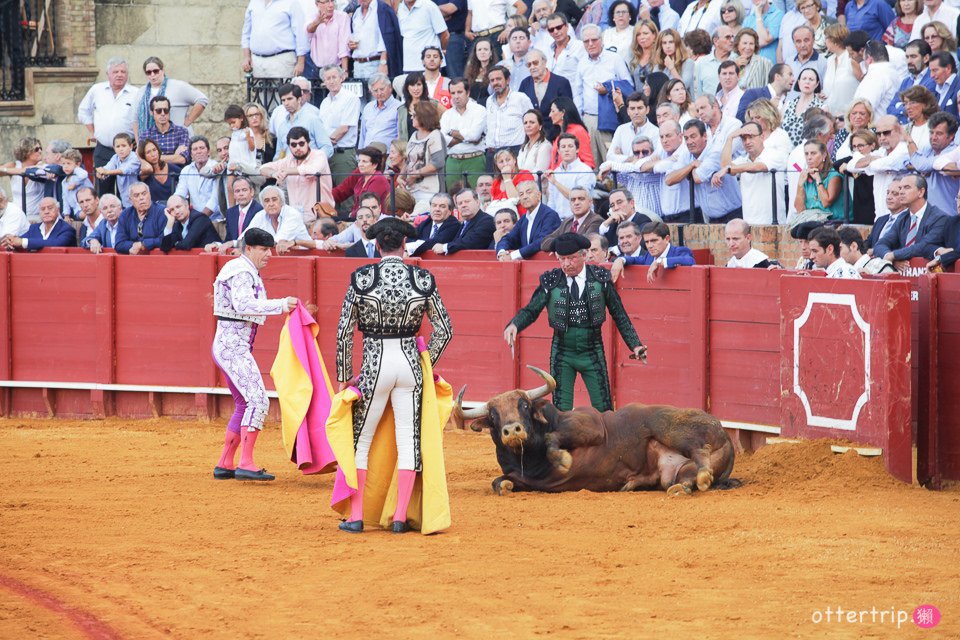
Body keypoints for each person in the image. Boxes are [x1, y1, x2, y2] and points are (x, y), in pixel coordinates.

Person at [334, 216, 453, 533]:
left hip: (375, 363)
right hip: (410, 364)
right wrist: (425, 363)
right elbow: (445, 330)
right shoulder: (423, 280)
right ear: (404, 245)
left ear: (375, 245)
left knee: (361, 440)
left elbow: (344, 331)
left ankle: (357, 516)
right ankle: (399, 517)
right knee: (408, 440)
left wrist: (345, 375)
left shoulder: (361, 278)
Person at [504, 233, 646, 412]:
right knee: (561, 411)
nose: (566, 264)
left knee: (604, 409)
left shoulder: (600, 278)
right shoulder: (551, 281)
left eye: (571, 258)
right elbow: (532, 309)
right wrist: (515, 324)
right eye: (561, 259)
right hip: (562, 353)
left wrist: (635, 345)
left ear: (584, 255)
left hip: (592, 350)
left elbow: (619, 313)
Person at [212, 227, 298, 482]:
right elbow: (244, 304)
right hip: (232, 347)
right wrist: (282, 305)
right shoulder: (241, 271)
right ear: (248, 248)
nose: (268, 254)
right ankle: (246, 463)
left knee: (244, 403)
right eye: (263, 249)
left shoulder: (244, 269)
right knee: (258, 401)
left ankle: (225, 462)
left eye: (269, 249)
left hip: (231, 345)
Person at [77, 57, 138, 195]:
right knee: (104, 190)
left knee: (129, 191)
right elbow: (83, 111)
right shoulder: (97, 90)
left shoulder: (136, 93)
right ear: (108, 74)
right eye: (115, 71)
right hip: (104, 149)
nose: (120, 74)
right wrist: (92, 132)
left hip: (128, 150)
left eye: (123, 71)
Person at [874, 173, 950, 265]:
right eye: (900, 188)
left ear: (921, 192)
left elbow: (923, 246)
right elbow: (880, 244)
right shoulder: (902, 218)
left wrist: (894, 255)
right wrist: (890, 258)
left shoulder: (939, 218)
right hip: (906, 274)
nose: (901, 192)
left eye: (906, 187)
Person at [133, 56, 208, 140]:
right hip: (150, 144)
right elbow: (135, 120)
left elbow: (202, 99)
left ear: (162, 70)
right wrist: (138, 141)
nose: (152, 75)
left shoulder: (178, 86)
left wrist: (187, 122)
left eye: (156, 71)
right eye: (148, 72)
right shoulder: (141, 92)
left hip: (178, 139)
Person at [610, 221, 695, 283]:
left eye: (654, 241)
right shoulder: (648, 256)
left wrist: (659, 261)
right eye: (647, 242)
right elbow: (634, 259)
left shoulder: (679, 251)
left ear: (666, 239)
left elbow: (690, 260)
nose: (650, 246)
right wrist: (620, 260)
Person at [240, 0, 308, 79]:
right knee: (260, 91)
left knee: (283, 91)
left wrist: (300, 62)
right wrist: (246, 57)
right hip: (257, 61)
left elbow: (300, 33)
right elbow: (246, 32)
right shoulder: (254, 2)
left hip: (282, 60)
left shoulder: (291, 2)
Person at [441, 78, 488, 190]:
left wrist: (453, 133)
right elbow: (443, 139)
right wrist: (469, 138)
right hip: (453, 161)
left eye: (459, 92)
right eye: (453, 93)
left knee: (477, 196)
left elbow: (474, 135)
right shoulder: (446, 115)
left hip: (474, 159)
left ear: (468, 92)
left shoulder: (479, 110)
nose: (456, 96)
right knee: (453, 198)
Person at [496, 180, 561, 259]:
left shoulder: (550, 215)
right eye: (521, 194)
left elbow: (542, 241)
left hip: (546, 264)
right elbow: (508, 238)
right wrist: (502, 252)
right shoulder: (524, 219)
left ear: (539, 195)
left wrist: (513, 255)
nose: (525, 197)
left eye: (528, 192)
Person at [540, 186, 605, 251]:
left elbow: (584, 243)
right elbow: (544, 242)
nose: (576, 203)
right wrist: (557, 247)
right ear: (570, 204)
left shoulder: (596, 221)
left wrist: (560, 248)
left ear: (590, 202)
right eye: (573, 200)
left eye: (581, 199)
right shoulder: (567, 221)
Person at [434, 188, 496, 254]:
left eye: (467, 201)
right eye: (460, 203)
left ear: (477, 202)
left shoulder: (487, 221)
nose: (463, 205)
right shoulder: (464, 223)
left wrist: (445, 247)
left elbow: (472, 242)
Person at [0, 197, 76, 251]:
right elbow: (19, 240)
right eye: (43, 209)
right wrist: (10, 242)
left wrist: (22, 242)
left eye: (50, 208)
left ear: (58, 210)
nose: (46, 212)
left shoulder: (66, 229)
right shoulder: (33, 228)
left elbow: (56, 243)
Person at [795, 140, 845, 221]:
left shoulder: (834, 175)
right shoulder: (806, 176)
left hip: (835, 221)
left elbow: (826, 202)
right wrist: (800, 185)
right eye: (806, 154)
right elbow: (799, 210)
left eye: (813, 153)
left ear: (824, 155)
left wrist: (818, 179)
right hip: (813, 220)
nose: (809, 157)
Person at [305, 0, 351, 78]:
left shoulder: (342, 17)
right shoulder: (311, 17)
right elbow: (308, 31)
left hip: (337, 68)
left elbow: (344, 45)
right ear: (317, 4)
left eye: (332, 1)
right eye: (326, 2)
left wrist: (344, 70)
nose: (331, 5)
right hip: (317, 69)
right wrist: (317, 22)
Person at [781, 68, 825, 146]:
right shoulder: (787, 104)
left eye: (811, 79)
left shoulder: (822, 107)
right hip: (783, 150)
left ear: (817, 84)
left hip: (806, 153)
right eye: (804, 79)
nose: (807, 82)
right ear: (798, 82)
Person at [96, 133, 141, 208]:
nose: (121, 149)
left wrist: (106, 172)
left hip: (137, 198)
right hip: (124, 200)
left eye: (124, 146)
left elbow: (123, 170)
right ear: (114, 148)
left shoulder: (135, 157)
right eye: (118, 146)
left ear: (131, 146)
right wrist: (100, 173)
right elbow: (107, 168)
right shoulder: (115, 157)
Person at [359, 74, 402, 149]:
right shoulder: (368, 107)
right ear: (371, 92)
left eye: (382, 89)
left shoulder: (399, 107)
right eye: (375, 90)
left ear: (390, 88)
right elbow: (363, 135)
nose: (379, 93)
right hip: (367, 154)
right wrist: (359, 154)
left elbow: (401, 136)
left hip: (387, 156)